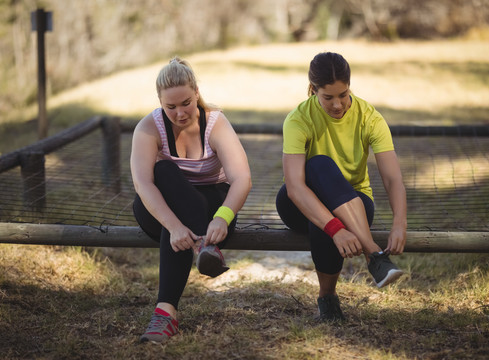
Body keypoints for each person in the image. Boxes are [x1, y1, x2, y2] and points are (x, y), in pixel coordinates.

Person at [275, 52, 407, 322]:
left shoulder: (370, 117)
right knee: (319, 164)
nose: (337, 104)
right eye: (328, 97)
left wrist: (399, 223)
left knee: (328, 218)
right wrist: (336, 230)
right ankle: (374, 254)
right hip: (299, 204)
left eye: (343, 94)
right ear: (313, 91)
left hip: (354, 204)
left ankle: (327, 297)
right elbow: (295, 187)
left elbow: (393, 178)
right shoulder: (298, 119)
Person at [131, 57, 252, 343]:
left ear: (196, 91)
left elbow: (242, 179)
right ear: (159, 102)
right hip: (163, 214)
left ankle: (165, 314)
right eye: (170, 107)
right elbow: (142, 184)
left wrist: (223, 217)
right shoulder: (149, 127)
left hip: (213, 217)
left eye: (186, 102)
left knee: (189, 208)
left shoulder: (215, 122)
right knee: (162, 170)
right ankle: (205, 250)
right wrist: (174, 226)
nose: (180, 113)